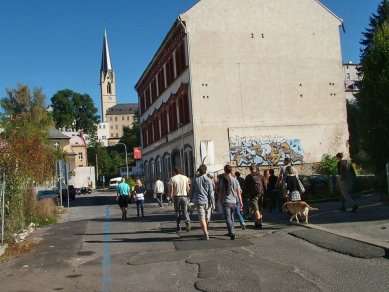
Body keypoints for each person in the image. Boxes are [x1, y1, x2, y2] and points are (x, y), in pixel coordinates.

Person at [189, 164, 215, 240]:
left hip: (199, 200)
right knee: (207, 218)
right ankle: (206, 230)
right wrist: (213, 203)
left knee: (202, 218)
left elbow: (191, 190)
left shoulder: (195, 179)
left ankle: (205, 233)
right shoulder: (209, 180)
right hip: (208, 201)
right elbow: (211, 192)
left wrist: (190, 198)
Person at [219, 164, 241, 240]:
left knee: (228, 217)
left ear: (225, 171)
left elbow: (221, 191)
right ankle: (230, 231)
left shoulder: (223, 180)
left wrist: (220, 199)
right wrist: (241, 201)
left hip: (226, 200)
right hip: (234, 201)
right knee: (231, 217)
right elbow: (238, 192)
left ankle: (232, 232)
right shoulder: (235, 180)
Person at [169, 166, 191, 232]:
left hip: (176, 196)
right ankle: (187, 220)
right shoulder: (185, 178)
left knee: (177, 211)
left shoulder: (172, 179)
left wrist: (170, 198)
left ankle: (179, 226)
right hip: (184, 196)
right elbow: (188, 188)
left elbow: (171, 190)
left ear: (174, 172)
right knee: (185, 210)